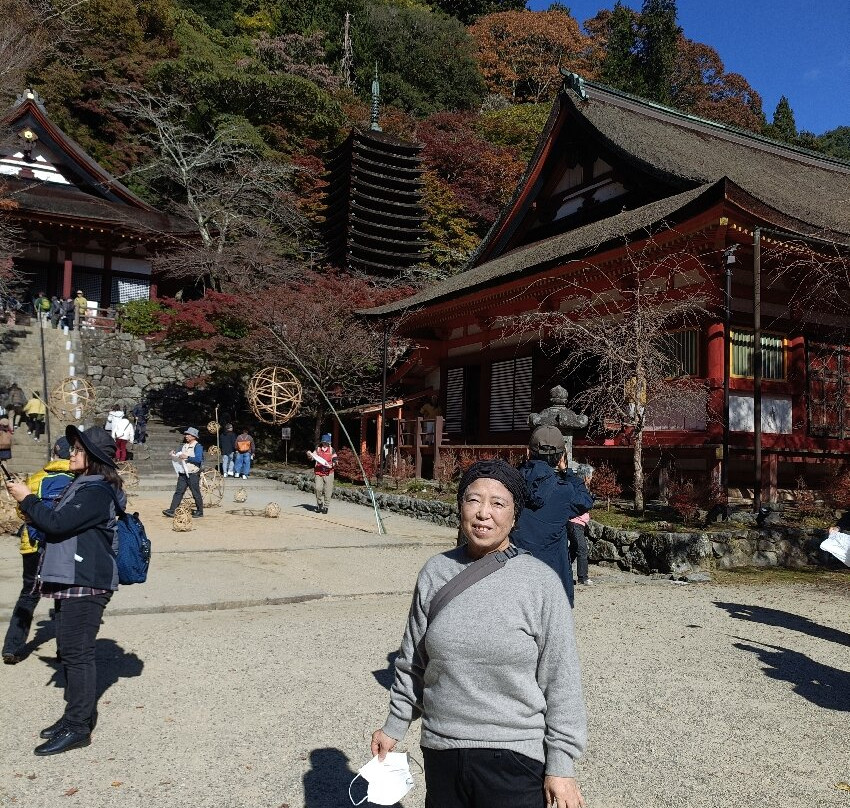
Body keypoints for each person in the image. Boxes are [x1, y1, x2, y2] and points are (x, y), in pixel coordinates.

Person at [371, 460, 587, 808]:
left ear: (515, 516)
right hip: (443, 750)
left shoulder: (540, 583)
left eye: (498, 503)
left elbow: (561, 679)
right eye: (473, 500)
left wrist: (561, 766)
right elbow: (413, 661)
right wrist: (394, 725)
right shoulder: (436, 572)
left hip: (514, 757)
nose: (484, 513)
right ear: (460, 507)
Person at [4, 425, 125, 756]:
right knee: (72, 653)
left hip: (87, 581)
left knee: (78, 654)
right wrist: (28, 505)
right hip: (74, 577)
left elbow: (58, 524)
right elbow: (53, 523)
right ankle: (72, 717)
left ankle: (78, 726)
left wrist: (27, 497)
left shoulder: (97, 491)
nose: (70, 453)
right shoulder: (82, 486)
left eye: (77, 449)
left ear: (94, 458)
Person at [2, 437, 74, 664]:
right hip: (62, 546)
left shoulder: (35, 479)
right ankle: (64, 651)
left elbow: (22, 513)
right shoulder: (77, 481)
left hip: (32, 544)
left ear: (54, 454)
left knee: (28, 595)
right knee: (62, 597)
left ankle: (12, 647)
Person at [512, 426, 594, 607]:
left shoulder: (509, 485)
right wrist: (567, 472)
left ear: (527, 452)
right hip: (552, 576)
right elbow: (585, 500)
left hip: (513, 573)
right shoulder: (565, 491)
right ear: (560, 457)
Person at [163, 427, 204, 518]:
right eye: (186, 434)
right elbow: (178, 454)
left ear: (194, 436)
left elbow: (198, 459)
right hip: (183, 472)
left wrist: (187, 457)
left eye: (188, 434)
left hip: (193, 473)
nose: (186, 436)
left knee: (195, 492)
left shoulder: (198, 446)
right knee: (179, 491)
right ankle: (172, 510)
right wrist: (173, 453)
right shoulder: (183, 446)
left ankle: (200, 511)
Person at [568, 464, 595, 587]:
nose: (591, 478)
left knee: (573, 550)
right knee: (582, 549)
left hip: (578, 522)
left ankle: (564, 573)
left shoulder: (581, 487)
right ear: (585, 476)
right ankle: (583, 577)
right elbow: (580, 504)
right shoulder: (578, 488)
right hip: (575, 522)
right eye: (590, 476)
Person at [307, 433, 336, 513]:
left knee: (328, 490)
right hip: (319, 472)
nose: (325, 444)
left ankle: (326, 507)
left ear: (329, 443)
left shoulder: (331, 450)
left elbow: (336, 460)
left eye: (326, 442)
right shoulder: (318, 449)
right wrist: (309, 455)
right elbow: (312, 458)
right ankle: (319, 503)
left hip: (329, 473)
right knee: (317, 488)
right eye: (323, 442)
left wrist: (331, 465)